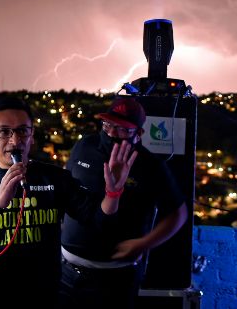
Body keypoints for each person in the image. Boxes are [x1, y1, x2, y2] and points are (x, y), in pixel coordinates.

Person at [0, 96, 137, 308]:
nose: (15, 141)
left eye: (22, 131)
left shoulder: (54, 177)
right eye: (4, 132)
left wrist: (113, 193)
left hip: (44, 301)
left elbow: (100, 222)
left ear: (32, 135)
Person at [59, 96, 188, 309]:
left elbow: (178, 213)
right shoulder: (85, 146)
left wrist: (144, 243)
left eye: (121, 129)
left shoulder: (150, 165)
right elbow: (66, 185)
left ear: (138, 134)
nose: (110, 134)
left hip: (114, 278)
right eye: (108, 125)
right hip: (66, 270)